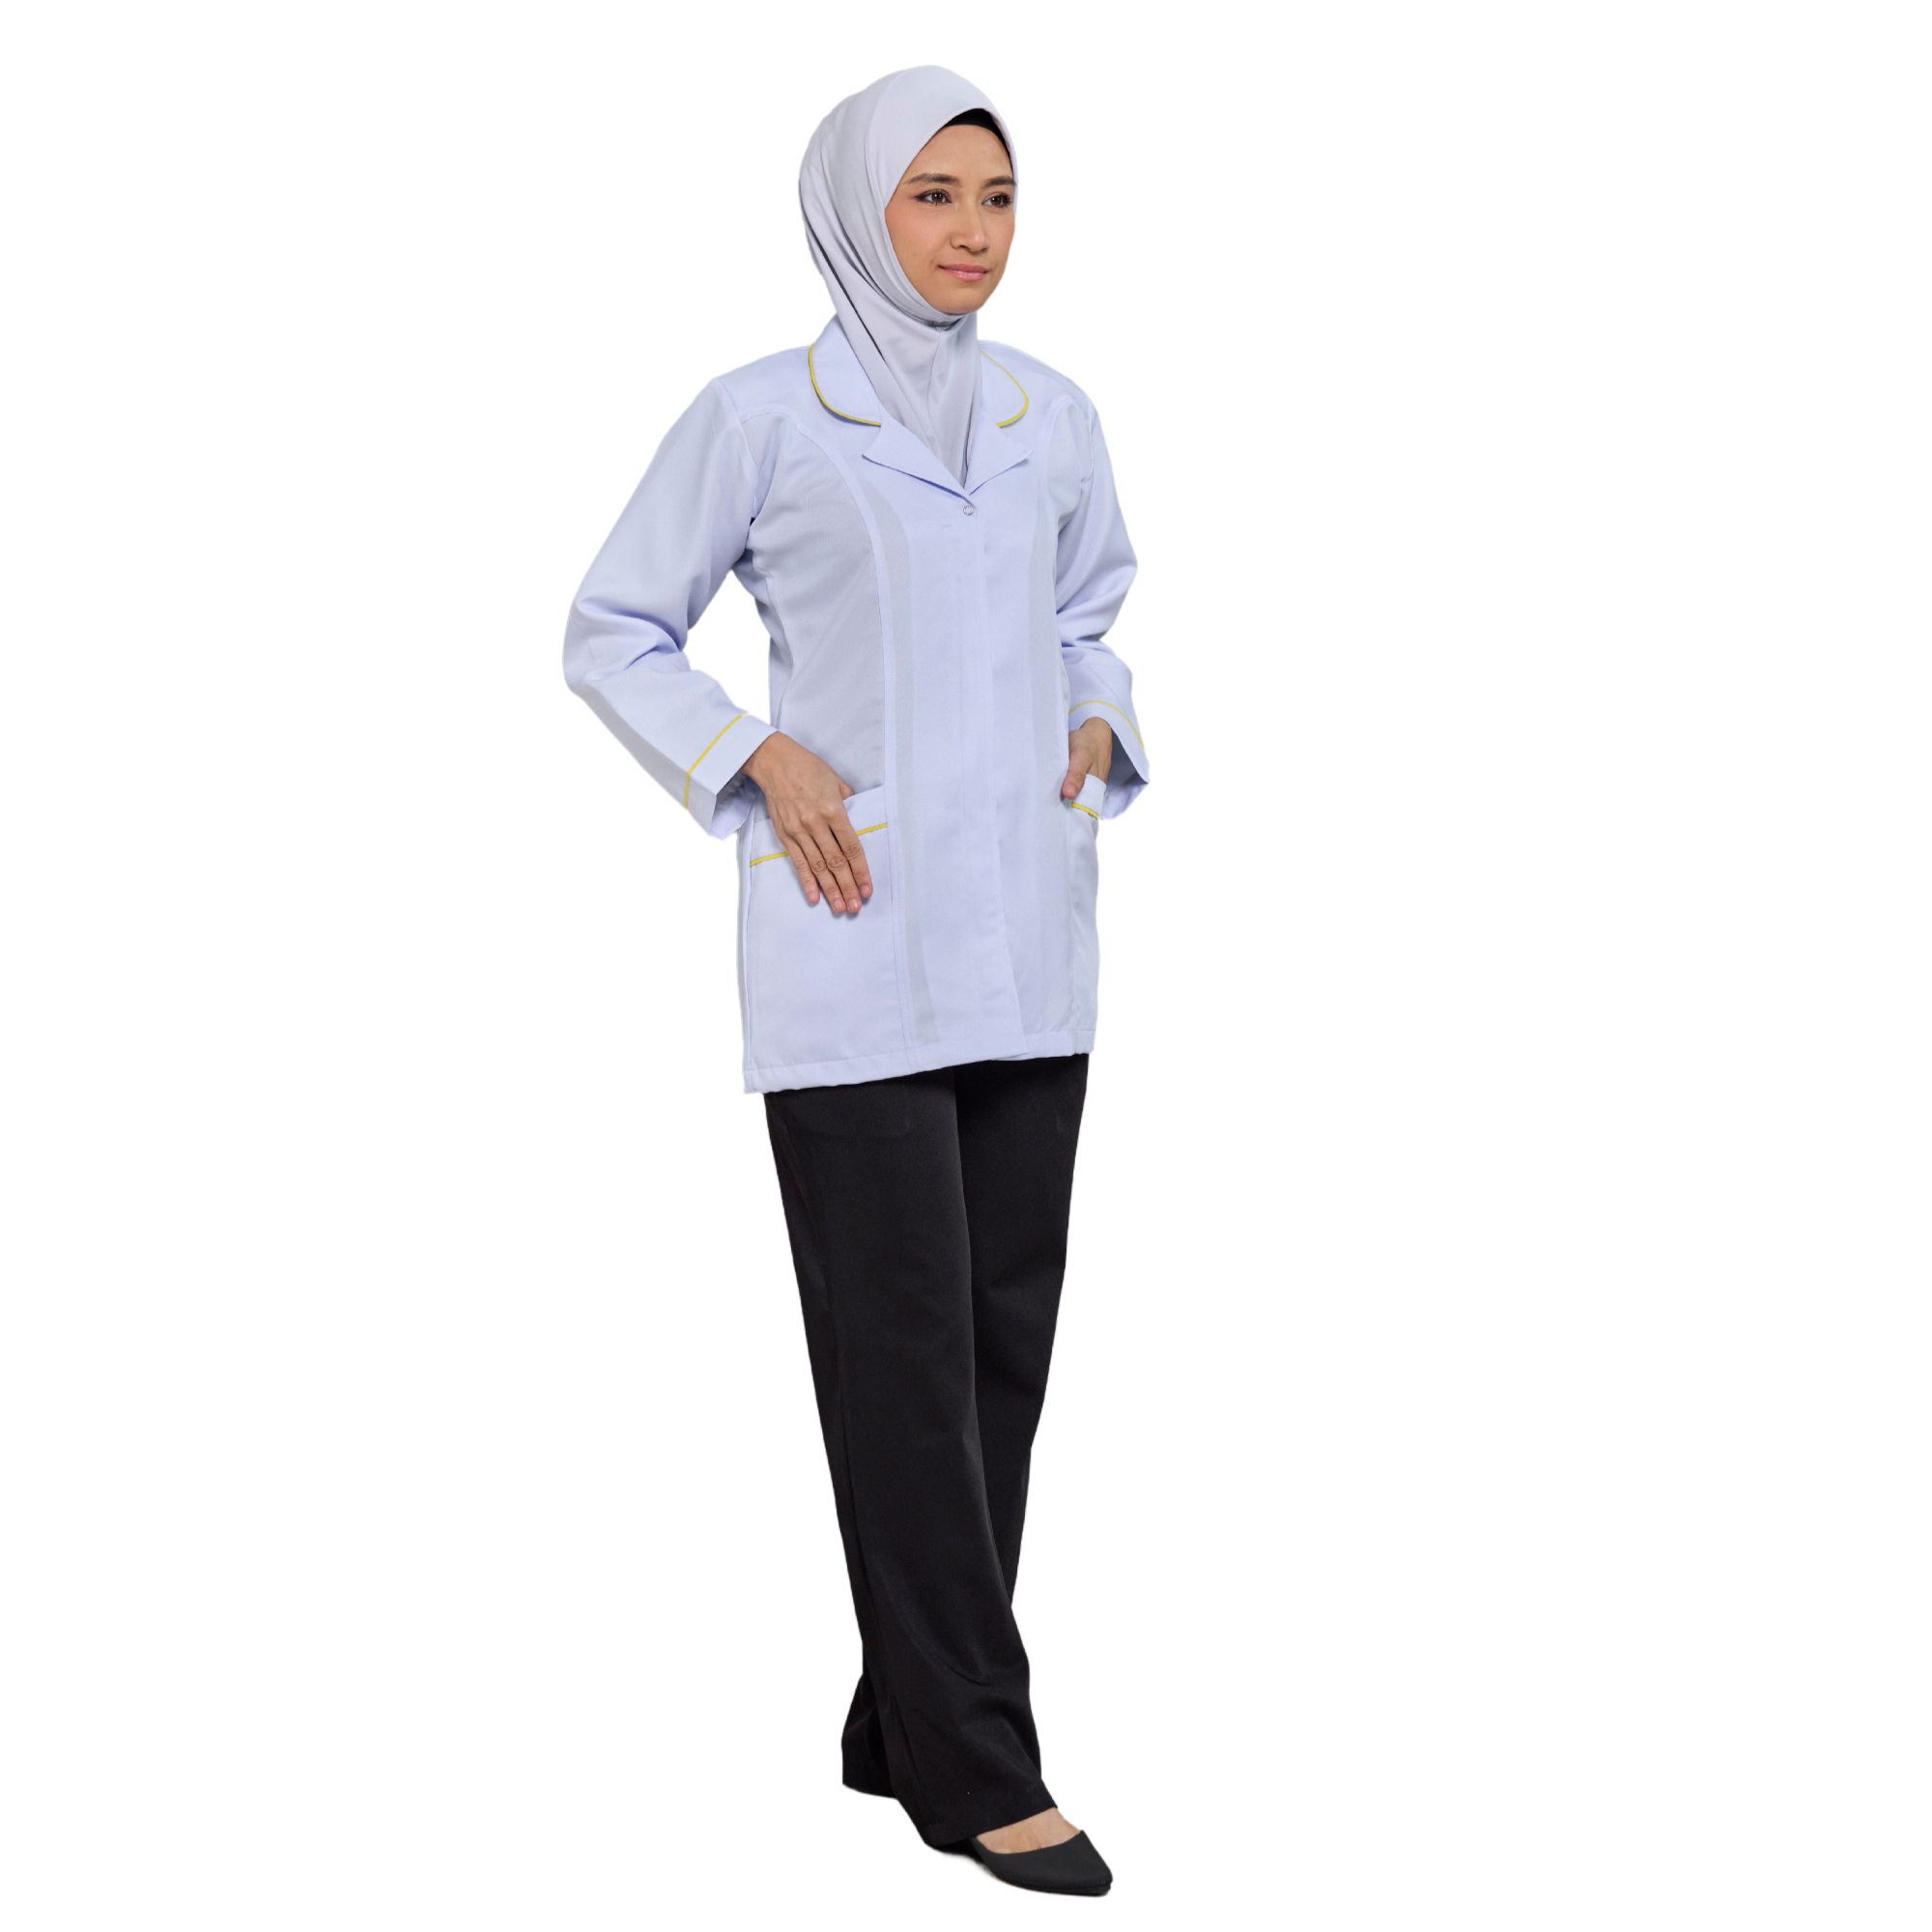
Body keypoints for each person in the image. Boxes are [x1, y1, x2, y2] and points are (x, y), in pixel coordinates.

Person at [562, 67, 1147, 1898]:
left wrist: (1099, 719)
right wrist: (753, 750)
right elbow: (612, 627)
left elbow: (1090, 614)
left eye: (998, 198)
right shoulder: (760, 417)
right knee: (899, 1363)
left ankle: (904, 1723)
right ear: (854, 212)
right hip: (855, 941)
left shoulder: (1054, 415)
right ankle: (980, 1766)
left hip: (1031, 943)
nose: (973, 233)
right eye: (933, 198)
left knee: (997, 1354)